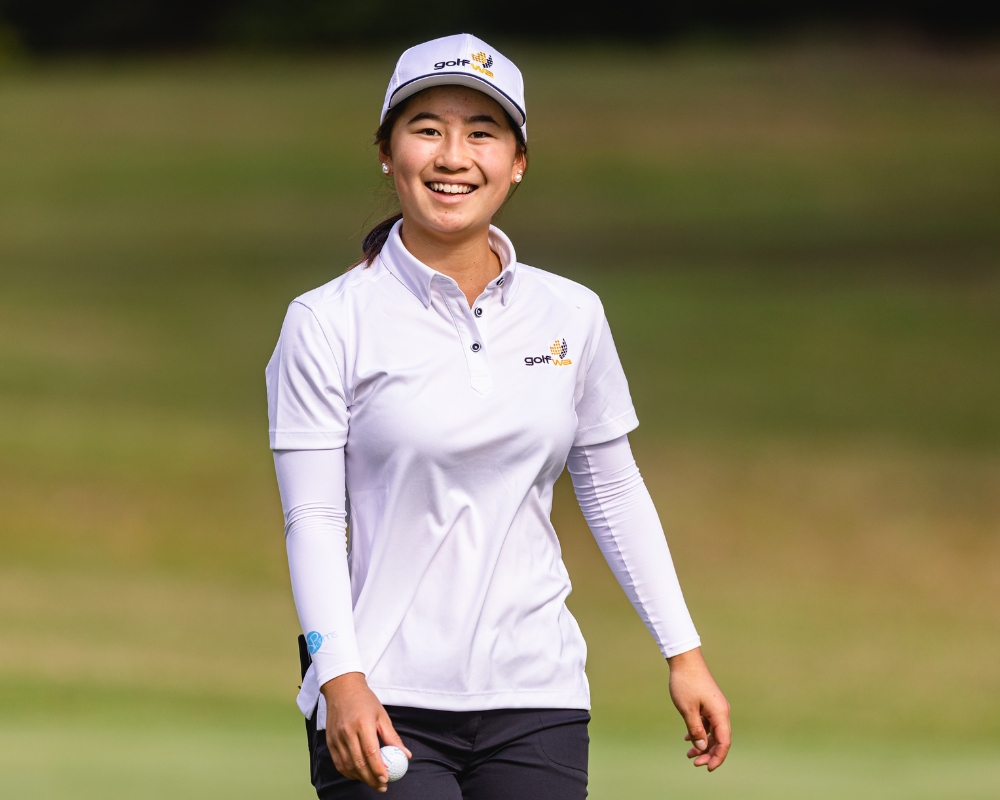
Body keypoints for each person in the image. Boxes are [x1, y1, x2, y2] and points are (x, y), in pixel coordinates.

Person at [267, 33, 730, 799]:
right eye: (427, 129)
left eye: (482, 133)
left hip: (537, 695)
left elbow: (613, 490)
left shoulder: (571, 313)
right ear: (386, 153)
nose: (453, 157)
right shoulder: (326, 321)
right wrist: (339, 674)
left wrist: (684, 653)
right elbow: (312, 517)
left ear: (517, 162)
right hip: (380, 695)